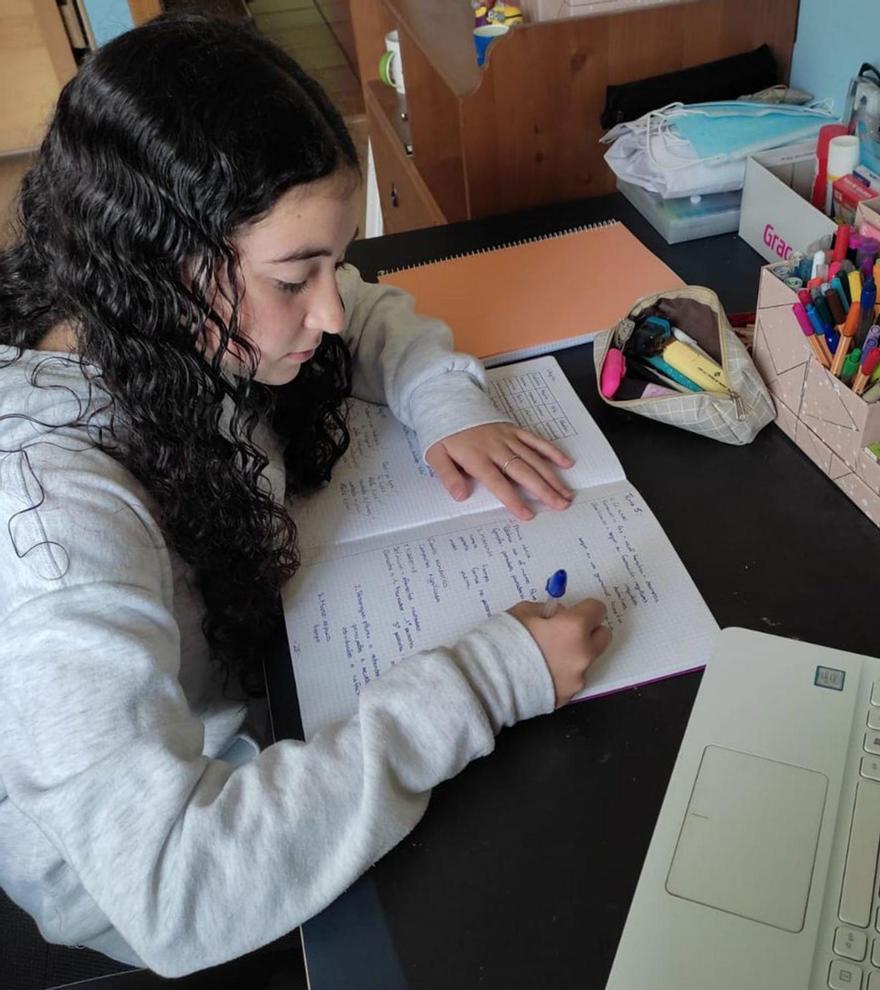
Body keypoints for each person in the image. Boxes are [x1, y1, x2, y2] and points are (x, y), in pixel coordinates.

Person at [0, 13, 611, 978]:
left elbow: (362, 305)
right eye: (296, 278)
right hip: (195, 877)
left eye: (330, 261)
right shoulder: (54, 535)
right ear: (162, 262)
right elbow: (174, 889)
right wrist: (486, 683)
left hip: (272, 669)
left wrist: (444, 401)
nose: (327, 312)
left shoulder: (154, 317)